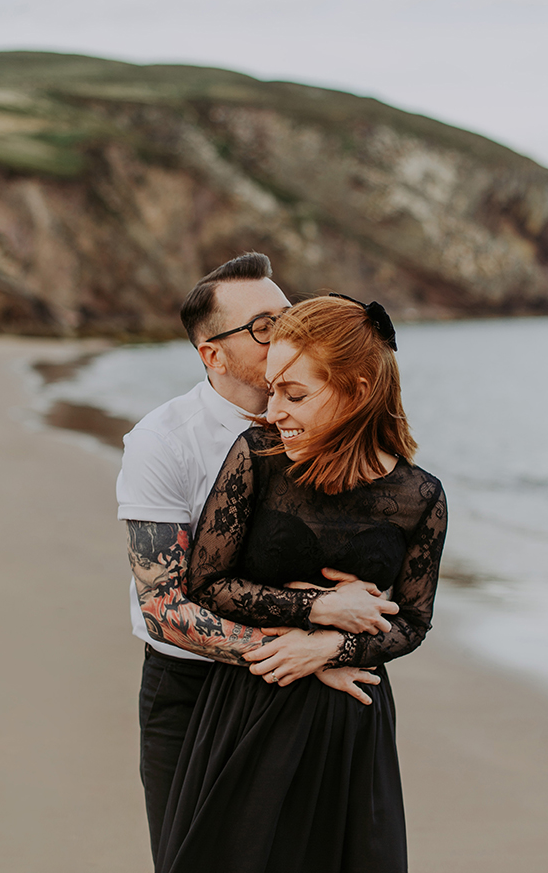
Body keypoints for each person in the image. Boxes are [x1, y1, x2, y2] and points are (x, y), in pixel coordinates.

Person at [117, 256, 396, 862]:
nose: (287, 334)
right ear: (213, 355)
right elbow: (165, 607)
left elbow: (377, 582)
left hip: (307, 696)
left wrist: (333, 646)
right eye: (265, 326)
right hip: (188, 689)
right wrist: (303, 653)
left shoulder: (331, 426)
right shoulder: (162, 443)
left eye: (289, 317)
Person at [156, 295, 447, 873]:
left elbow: (413, 623)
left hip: (349, 723)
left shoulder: (421, 497)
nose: (275, 411)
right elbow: (206, 582)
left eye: (295, 395)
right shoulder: (257, 457)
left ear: (359, 392)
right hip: (252, 705)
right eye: (271, 391)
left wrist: (329, 647)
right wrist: (317, 607)